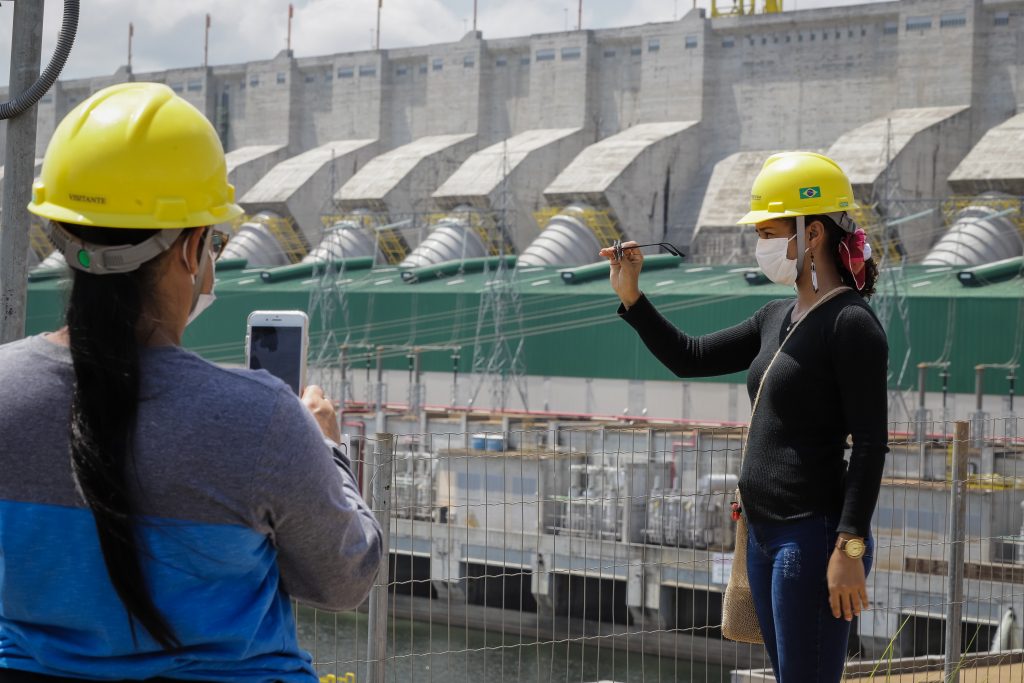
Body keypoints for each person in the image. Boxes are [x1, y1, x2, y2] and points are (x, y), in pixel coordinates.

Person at [0, 83, 382, 682]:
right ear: (192, 249)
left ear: (62, 236)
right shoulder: (263, 418)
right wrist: (328, 450)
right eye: (215, 241)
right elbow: (343, 580)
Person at [602, 151, 888, 683]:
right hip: (761, 535)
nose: (761, 245)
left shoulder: (852, 325)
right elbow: (690, 357)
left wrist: (850, 546)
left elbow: (871, 443)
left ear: (813, 235)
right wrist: (632, 297)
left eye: (770, 230)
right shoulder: (775, 316)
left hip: (813, 536)